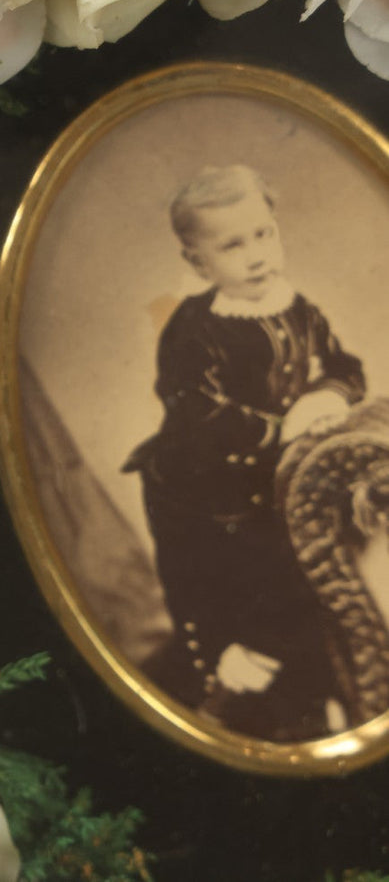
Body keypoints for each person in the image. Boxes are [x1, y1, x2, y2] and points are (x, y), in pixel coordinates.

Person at [124, 164, 365, 741]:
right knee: (223, 590)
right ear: (198, 263)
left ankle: (323, 698)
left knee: (299, 587)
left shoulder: (297, 306)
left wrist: (329, 395)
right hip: (200, 489)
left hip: (273, 481)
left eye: (265, 234)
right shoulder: (194, 328)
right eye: (233, 245)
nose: (257, 255)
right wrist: (282, 429)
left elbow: (342, 365)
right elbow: (199, 411)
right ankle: (241, 694)